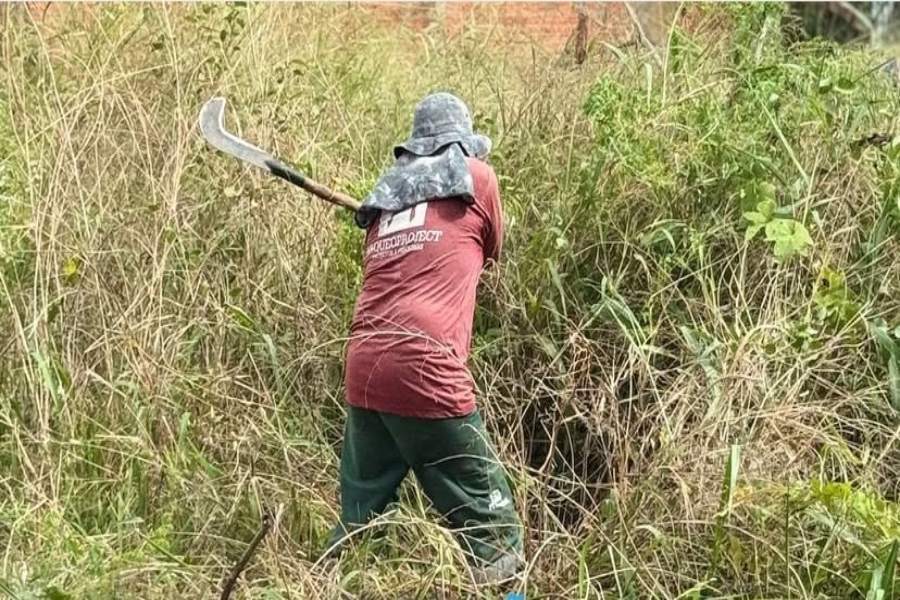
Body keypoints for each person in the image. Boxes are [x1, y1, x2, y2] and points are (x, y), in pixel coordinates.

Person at [327, 92, 523, 583]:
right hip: (425, 364)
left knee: (360, 516)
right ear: (463, 147)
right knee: (492, 524)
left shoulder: (383, 204)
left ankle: (321, 584)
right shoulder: (478, 179)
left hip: (364, 367)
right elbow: (491, 251)